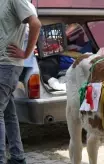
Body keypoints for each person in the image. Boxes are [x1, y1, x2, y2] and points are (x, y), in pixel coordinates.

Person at [0, 0, 41, 163]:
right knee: (8, 113)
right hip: (2, 64)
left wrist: (26, 53)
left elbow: (35, 24)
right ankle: (17, 157)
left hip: (8, 65)